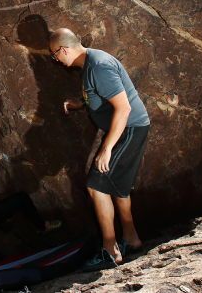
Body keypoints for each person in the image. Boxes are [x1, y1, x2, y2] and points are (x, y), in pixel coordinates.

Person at [49, 28, 151, 270]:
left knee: (96, 186)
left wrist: (106, 148)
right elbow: (100, 94)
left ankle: (110, 250)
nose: (55, 60)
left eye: (54, 55)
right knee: (118, 187)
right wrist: (79, 103)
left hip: (130, 129)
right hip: (130, 129)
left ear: (63, 49)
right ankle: (132, 238)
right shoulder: (91, 63)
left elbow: (123, 108)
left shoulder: (99, 66)